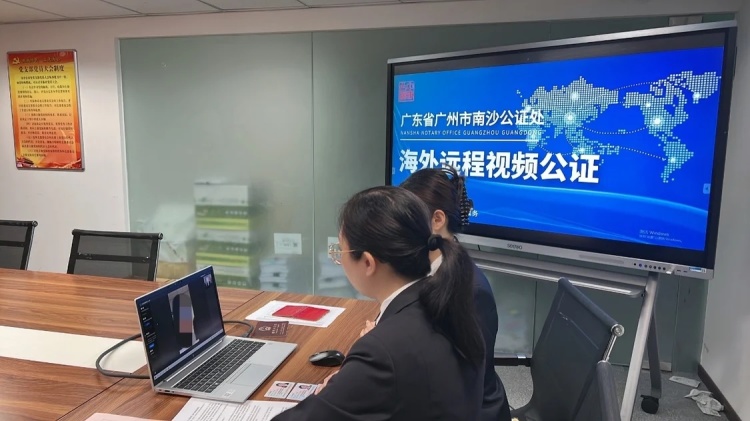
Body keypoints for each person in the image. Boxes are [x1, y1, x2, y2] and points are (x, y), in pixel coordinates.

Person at [273, 186, 485, 421]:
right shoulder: (447, 305)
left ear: (367, 263)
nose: (339, 259)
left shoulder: (382, 352)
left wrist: (341, 386)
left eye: (340, 250)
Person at [400, 167, 512, 421]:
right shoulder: (426, 265)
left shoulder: (471, 292)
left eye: (407, 218)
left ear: (437, 220)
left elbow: (461, 378)